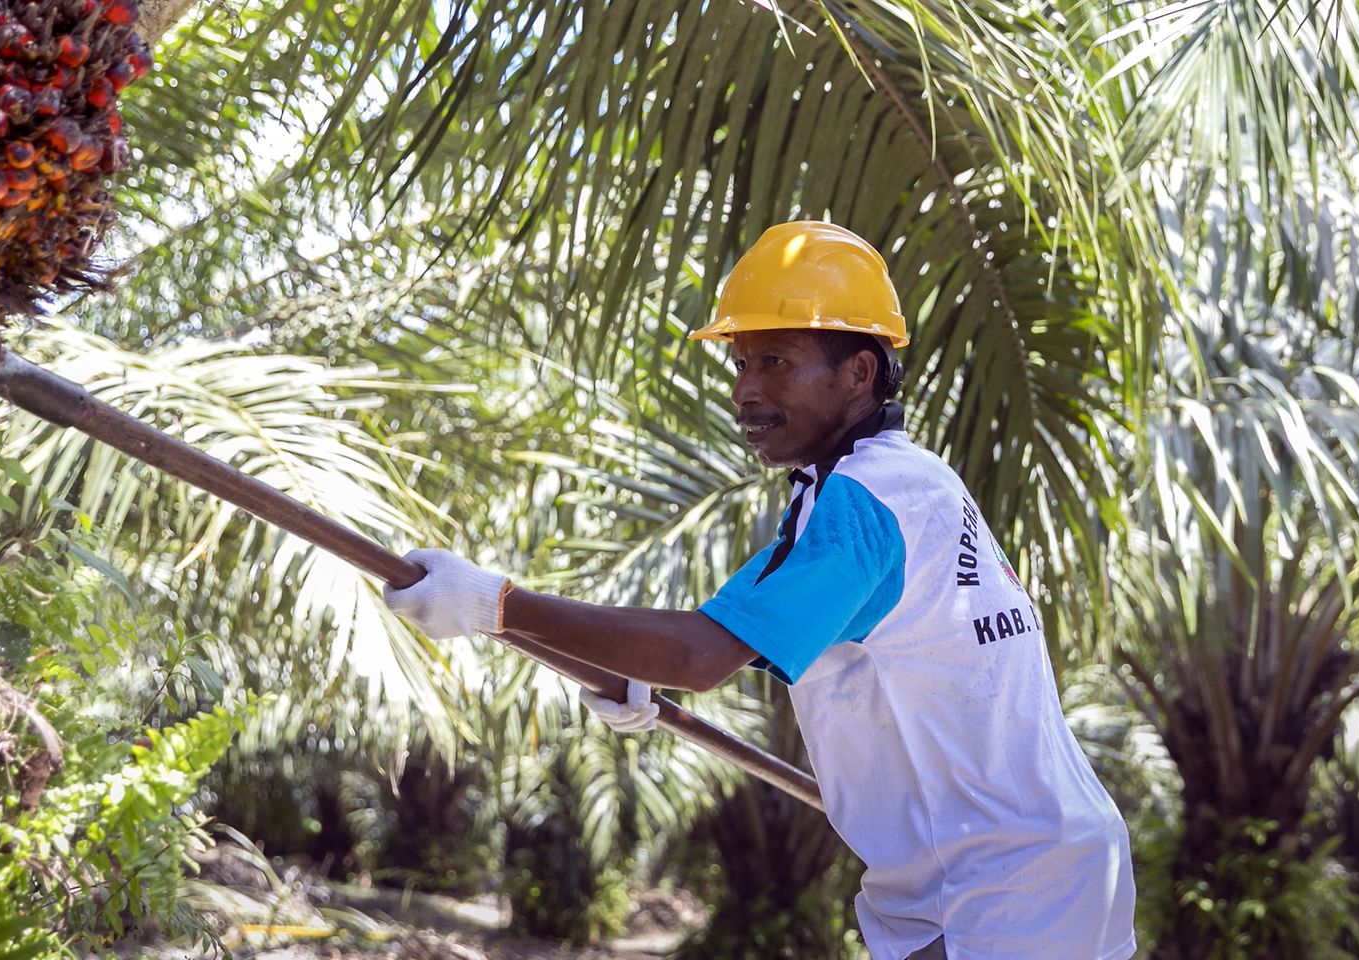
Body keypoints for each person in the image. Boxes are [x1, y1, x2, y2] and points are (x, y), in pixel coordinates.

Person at [383, 220, 1136, 960]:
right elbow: (722, 636)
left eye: (775, 362)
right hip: (1041, 870)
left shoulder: (867, 502)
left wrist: (496, 605)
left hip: (1001, 892)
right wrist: (634, 672)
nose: (745, 390)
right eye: (740, 364)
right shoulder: (898, 486)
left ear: (860, 373)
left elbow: (702, 655)